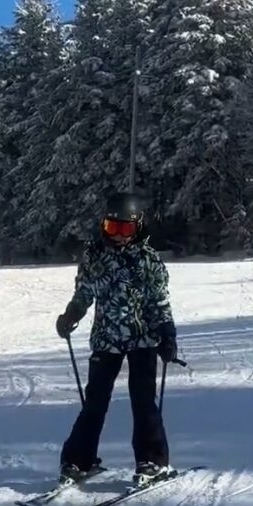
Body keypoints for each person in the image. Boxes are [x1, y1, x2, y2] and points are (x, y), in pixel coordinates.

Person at [55, 192, 178, 487]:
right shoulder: (95, 256)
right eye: (113, 228)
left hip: (142, 340)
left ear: (138, 227)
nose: (119, 236)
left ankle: (152, 461)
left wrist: (167, 333)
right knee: (95, 402)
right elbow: (85, 291)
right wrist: (72, 313)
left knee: (143, 402)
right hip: (106, 340)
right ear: (104, 225)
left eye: (125, 229)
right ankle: (78, 460)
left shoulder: (148, 261)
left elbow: (159, 302)